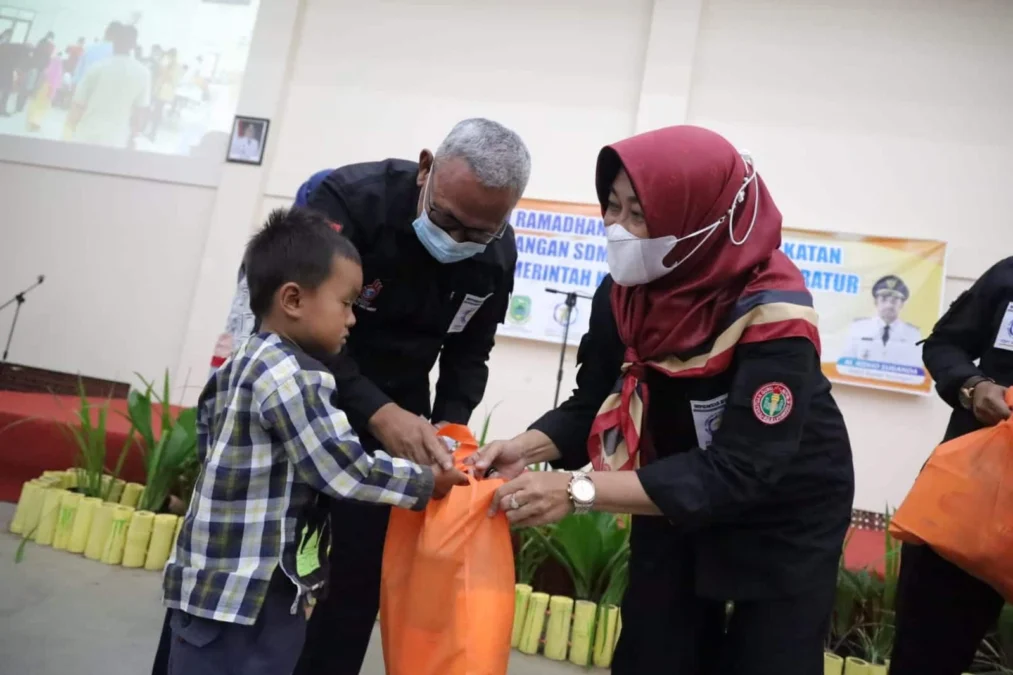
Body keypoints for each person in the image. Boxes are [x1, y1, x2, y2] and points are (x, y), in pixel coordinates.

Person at [468, 125, 855, 675]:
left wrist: (578, 490)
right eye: (612, 206)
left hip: (780, 507)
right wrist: (526, 448)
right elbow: (597, 400)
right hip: (669, 487)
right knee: (654, 646)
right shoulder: (625, 291)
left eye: (639, 214)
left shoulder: (774, 314)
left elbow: (742, 469)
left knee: (769, 657)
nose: (617, 228)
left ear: (698, 218)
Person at [151, 117, 529, 675]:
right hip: (311, 384)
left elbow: (469, 353)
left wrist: (451, 432)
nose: (461, 240)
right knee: (237, 583)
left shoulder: (495, 254)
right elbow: (294, 331)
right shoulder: (349, 203)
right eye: (450, 220)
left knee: (349, 585)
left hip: (398, 408)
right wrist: (378, 414)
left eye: (481, 232)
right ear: (426, 168)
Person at [162, 206, 468, 675]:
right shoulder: (294, 377)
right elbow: (345, 470)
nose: (352, 320)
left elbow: (207, 433)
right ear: (293, 300)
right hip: (248, 592)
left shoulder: (246, 360)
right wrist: (427, 481)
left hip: (212, 578)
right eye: (346, 303)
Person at [889, 257, 1013, 675]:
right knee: (924, 657)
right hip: (965, 508)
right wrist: (972, 385)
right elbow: (944, 344)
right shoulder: (1009, 276)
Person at [67, 23, 150, 148]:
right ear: (134, 45)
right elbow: (140, 112)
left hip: (87, 134)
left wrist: (72, 128)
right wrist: (133, 136)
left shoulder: (97, 68)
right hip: (117, 140)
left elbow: (78, 104)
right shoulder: (143, 73)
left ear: (114, 41)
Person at [842, 274, 923, 366]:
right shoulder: (858, 328)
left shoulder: (913, 334)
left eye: (894, 300)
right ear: (876, 302)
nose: (889, 305)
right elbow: (846, 363)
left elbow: (916, 367)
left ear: (902, 304)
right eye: (884, 299)